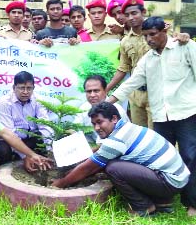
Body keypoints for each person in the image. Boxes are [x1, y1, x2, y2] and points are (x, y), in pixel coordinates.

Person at [107, 16, 196, 217]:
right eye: (146, 36)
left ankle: (192, 203)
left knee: (190, 156)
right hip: (160, 117)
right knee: (159, 159)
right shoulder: (148, 59)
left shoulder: (185, 46)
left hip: (186, 113)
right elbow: (132, 83)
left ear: (164, 31)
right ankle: (163, 200)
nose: (149, 40)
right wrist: (108, 102)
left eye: (152, 34)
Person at [52, 102, 190, 217]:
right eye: (94, 124)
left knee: (113, 168)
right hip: (175, 178)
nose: (97, 128)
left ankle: (144, 207)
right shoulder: (126, 128)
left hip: (170, 181)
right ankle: (163, 202)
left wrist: (61, 183)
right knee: (114, 163)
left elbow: (90, 167)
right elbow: (97, 156)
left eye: (100, 122)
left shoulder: (117, 140)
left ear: (114, 119)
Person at [105, 0, 152, 128]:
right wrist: (106, 89)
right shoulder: (125, 41)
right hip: (136, 94)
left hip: (156, 92)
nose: (131, 18)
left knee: (157, 133)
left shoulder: (156, 33)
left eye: (134, 13)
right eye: (127, 15)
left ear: (143, 12)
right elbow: (123, 68)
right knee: (140, 133)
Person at [0, 71, 53, 164]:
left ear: (33, 88)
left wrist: (50, 150)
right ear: (14, 88)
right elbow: (10, 134)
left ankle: (43, 162)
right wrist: (25, 156)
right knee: (3, 149)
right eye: (22, 88)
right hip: (11, 139)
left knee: (42, 137)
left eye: (29, 88)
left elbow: (45, 125)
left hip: (31, 137)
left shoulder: (38, 100)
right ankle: (8, 170)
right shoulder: (4, 103)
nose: (25, 92)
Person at [73, 75, 129, 144]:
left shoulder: (117, 110)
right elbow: (74, 131)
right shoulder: (83, 109)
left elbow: (124, 139)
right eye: (89, 91)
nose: (92, 95)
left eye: (96, 91)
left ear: (105, 91)